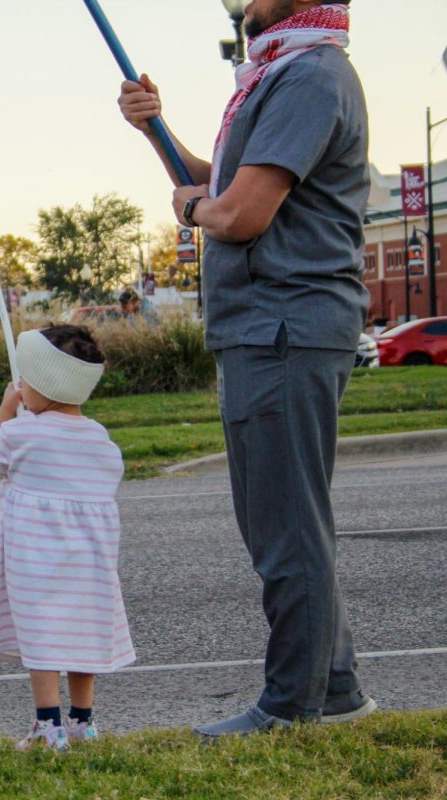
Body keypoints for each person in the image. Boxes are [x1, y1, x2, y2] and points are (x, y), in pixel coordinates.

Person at [118, 0, 376, 737]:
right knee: (296, 518)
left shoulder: (310, 76)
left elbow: (240, 214)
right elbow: (220, 183)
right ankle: (338, 691)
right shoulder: (285, 72)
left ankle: (291, 707)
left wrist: (194, 210)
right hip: (273, 324)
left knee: (284, 526)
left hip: (283, 324)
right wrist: (154, 130)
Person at [0, 325, 135, 751]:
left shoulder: (22, 433)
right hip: (89, 559)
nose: (19, 387)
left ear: (43, 387)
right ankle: (83, 721)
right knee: (82, 635)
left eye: (24, 381)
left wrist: (6, 409)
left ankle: (48, 725)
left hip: (37, 559)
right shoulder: (101, 440)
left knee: (42, 637)